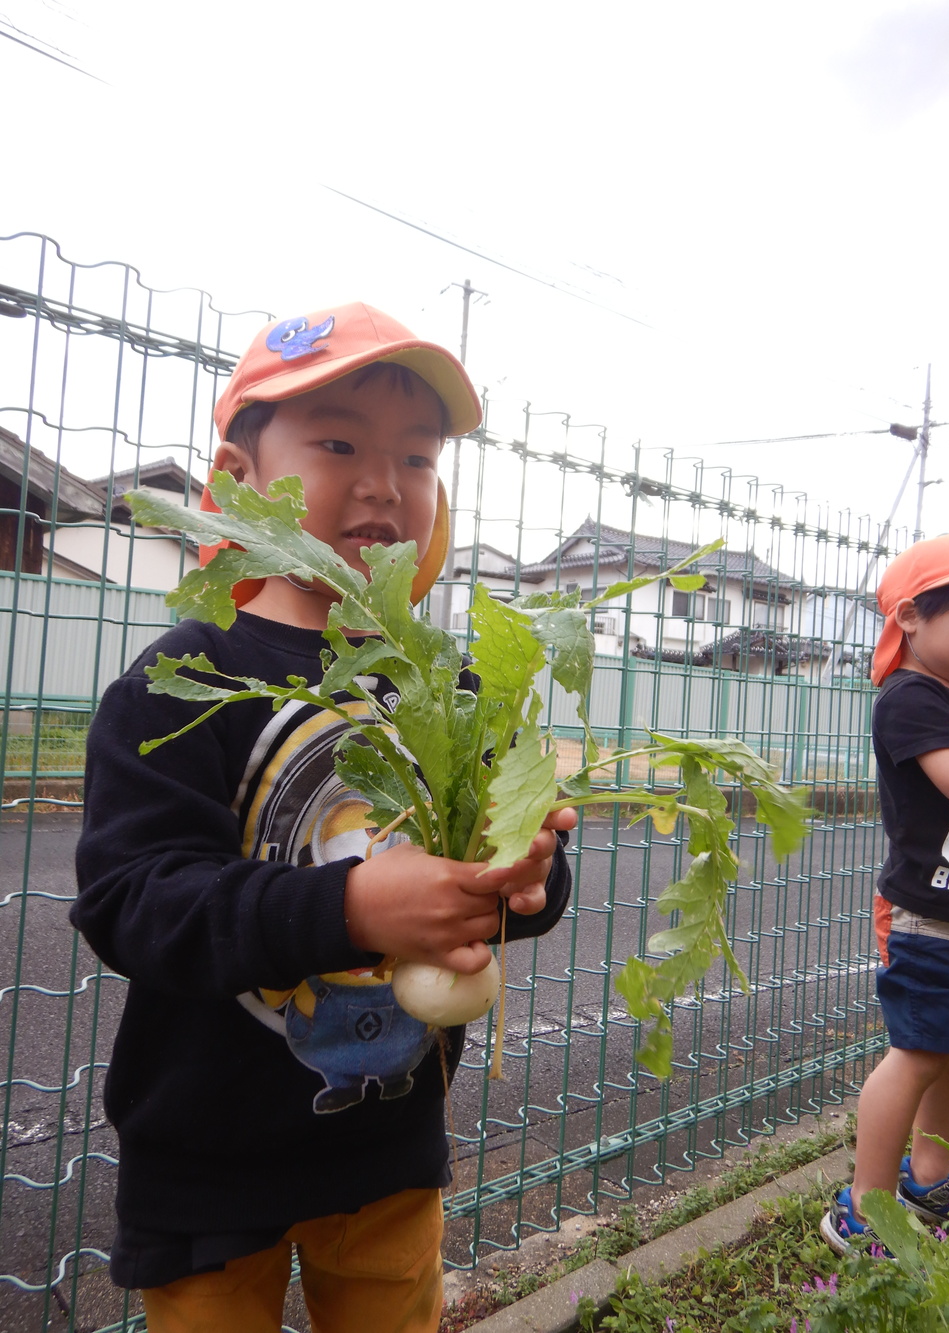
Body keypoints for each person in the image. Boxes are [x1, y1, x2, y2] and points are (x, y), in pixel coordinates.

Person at [72, 302, 576, 1332]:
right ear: (237, 478)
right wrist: (350, 909)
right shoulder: (173, 683)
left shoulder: (449, 682)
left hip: (387, 1145)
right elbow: (137, 901)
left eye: (418, 458)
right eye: (339, 442)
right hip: (207, 1159)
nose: (385, 482)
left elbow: (503, 878)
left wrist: (525, 882)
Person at [821, 535, 949, 1256]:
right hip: (930, 917)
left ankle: (928, 1175)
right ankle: (866, 1205)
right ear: (910, 616)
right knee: (919, 1052)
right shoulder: (908, 697)